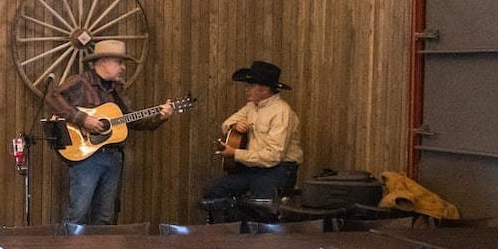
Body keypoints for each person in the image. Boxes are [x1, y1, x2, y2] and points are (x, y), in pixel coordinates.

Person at [47, 39, 174, 226]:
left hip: (113, 158)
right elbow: (52, 98)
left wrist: (160, 116)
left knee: (105, 218)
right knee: (78, 214)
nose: (123, 67)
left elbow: (130, 120)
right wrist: (82, 119)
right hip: (86, 158)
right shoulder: (81, 82)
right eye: (119, 62)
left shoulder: (116, 91)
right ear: (103, 62)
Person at [202, 59, 305, 212]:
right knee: (214, 194)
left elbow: (274, 156)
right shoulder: (251, 107)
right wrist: (235, 126)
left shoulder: (282, 112)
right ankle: (234, 230)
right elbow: (226, 124)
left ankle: (249, 230)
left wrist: (235, 153)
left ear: (264, 89)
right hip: (254, 169)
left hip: (279, 169)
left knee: (259, 206)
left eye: (250, 86)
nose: (247, 89)